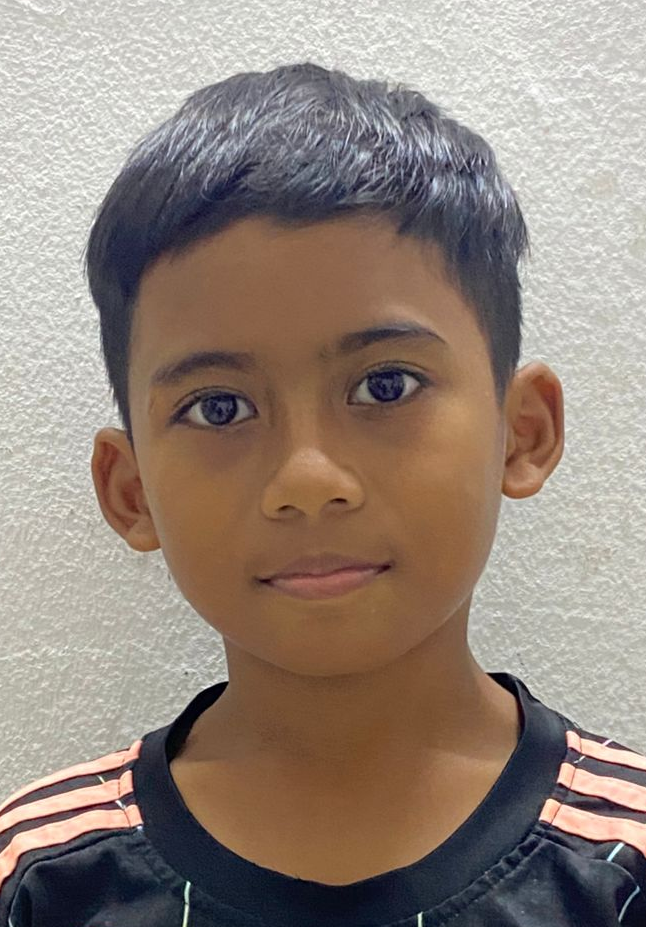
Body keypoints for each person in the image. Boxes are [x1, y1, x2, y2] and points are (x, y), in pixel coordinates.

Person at [1, 61, 644, 927]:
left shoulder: (622, 864)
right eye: (219, 407)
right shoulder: (40, 876)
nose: (308, 480)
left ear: (521, 431)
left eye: (386, 385)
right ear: (131, 490)